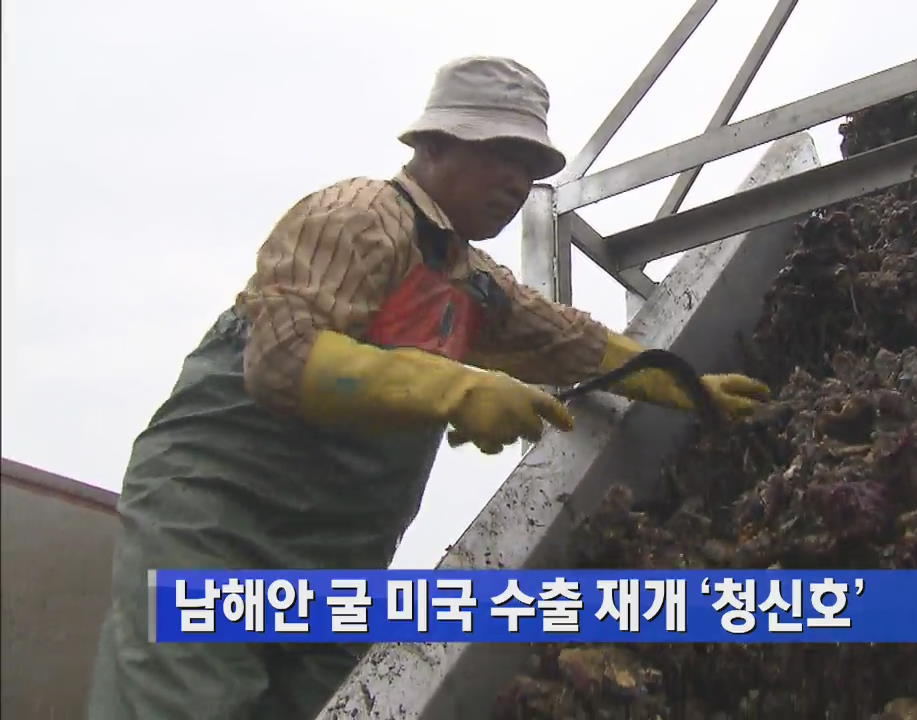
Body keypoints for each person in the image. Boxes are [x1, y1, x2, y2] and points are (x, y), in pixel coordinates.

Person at [86, 56, 770, 719]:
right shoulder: (357, 215)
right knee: (194, 693)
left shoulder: (470, 279)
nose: (516, 181)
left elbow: (568, 340)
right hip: (221, 514)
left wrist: (680, 380)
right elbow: (283, 360)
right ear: (434, 146)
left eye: (529, 167)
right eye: (501, 154)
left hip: (339, 550)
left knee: (325, 703)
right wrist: (455, 388)